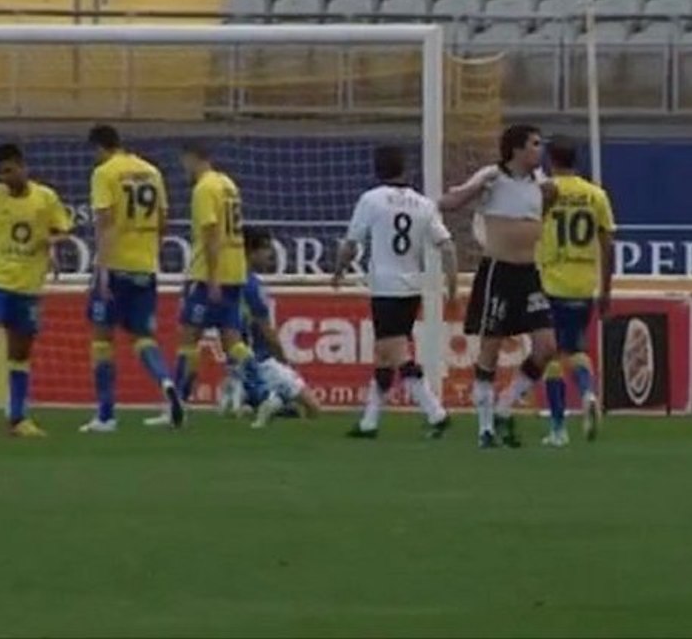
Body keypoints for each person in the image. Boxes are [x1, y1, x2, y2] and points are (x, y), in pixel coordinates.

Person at [439, 124, 558, 448]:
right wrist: (469, 191)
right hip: (498, 272)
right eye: (534, 144)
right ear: (517, 149)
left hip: (528, 273)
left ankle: (506, 404)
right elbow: (451, 202)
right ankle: (485, 427)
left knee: (546, 346)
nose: (540, 150)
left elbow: (542, 212)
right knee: (490, 349)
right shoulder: (492, 176)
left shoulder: (542, 183)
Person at [332, 145, 457, 439]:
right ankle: (369, 422)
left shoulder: (371, 200)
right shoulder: (424, 204)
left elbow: (351, 244)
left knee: (396, 354)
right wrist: (450, 286)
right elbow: (448, 246)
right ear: (405, 168)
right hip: (411, 289)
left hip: (385, 288)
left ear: (377, 169)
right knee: (385, 355)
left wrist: (339, 270)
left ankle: (436, 412)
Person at [148, 143, 271, 429]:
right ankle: (264, 394)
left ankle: (176, 406)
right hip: (235, 272)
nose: (184, 171)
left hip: (209, 276)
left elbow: (211, 234)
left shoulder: (204, 189)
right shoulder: (227, 184)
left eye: (185, 165)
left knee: (188, 340)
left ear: (193, 159)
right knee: (233, 341)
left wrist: (212, 278)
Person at [0, 144, 71, 437]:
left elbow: (61, 228)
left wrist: (51, 243)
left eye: (10, 171)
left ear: (22, 166)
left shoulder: (45, 198)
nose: (6, 178)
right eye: (0, 173)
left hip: (28, 286)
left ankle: (18, 418)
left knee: (20, 351)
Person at [80, 125, 177, 433]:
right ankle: (166, 382)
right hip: (145, 266)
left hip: (116, 265)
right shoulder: (152, 171)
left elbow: (105, 224)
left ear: (99, 148)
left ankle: (106, 415)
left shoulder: (105, 173)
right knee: (142, 337)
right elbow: (163, 221)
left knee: (102, 339)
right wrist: (151, 254)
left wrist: (102, 270)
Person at [537, 139, 615, 447]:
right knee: (577, 348)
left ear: (550, 160)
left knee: (550, 354)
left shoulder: (546, 192)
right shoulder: (596, 195)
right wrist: (606, 289)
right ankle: (587, 393)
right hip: (583, 284)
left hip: (550, 281)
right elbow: (608, 244)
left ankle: (558, 429)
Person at [227, 225, 320, 428]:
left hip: (237, 363)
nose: (271, 253)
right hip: (261, 361)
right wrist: (285, 361)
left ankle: (247, 399)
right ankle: (269, 402)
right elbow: (267, 333)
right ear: (251, 252)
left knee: (289, 404)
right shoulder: (252, 285)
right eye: (266, 248)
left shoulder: (230, 281)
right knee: (314, 408)